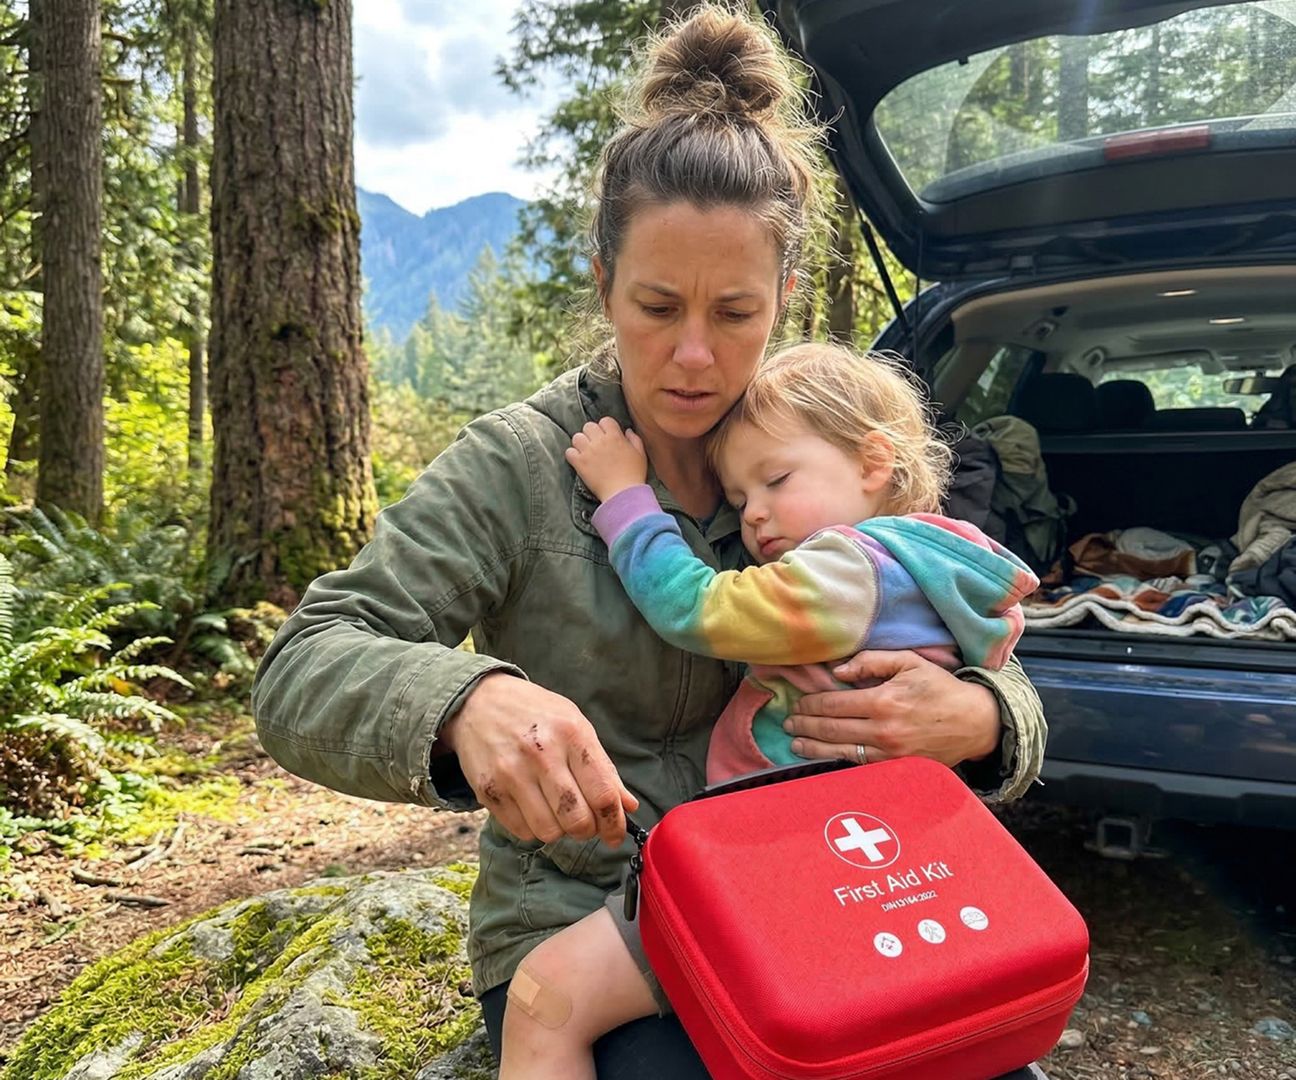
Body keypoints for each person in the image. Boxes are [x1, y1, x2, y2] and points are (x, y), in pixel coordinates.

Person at [251, 6, 1047, 1077]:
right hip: (585, 916)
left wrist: (982, 719)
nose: (693, 356)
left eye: (736, 314)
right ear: (604, 283)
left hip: (818, 891)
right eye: (658, 306)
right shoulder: (522, 463)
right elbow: (303, 665)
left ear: (785, 299)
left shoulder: (807, 446)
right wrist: (465, 701)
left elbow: (962, 619)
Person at [495, 342, 1041, 1078]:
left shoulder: (848, 572)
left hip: (787, 871)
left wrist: (625, 498)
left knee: (546, 997)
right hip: (880, 869)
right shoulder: (938, 568)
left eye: (776, 481)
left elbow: (695, 606)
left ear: (873, 462)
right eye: (739, 498)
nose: (754, 515)